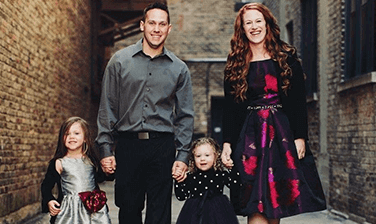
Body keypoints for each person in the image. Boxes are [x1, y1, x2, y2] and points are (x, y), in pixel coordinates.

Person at [221, 3, 326, 224]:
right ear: (242, 28)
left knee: (274, 203)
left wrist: (300, 137)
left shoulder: (286, 57)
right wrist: (228, 143)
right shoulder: (236, 62)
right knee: (254, 202)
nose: (254, 26)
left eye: (258, 21)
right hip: (250, 137)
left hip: (281, 135)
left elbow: (298, 101)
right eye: (248, 22)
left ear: (267, 24)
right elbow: (230, 107)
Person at [95, 2, 194, 224]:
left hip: (162, 146)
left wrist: (183, 155)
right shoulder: (119, 61)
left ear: (169, 28)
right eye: (152, 23)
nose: (156, 29)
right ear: (142, 25)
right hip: (128, 145)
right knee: (128, 209)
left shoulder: (179, 68)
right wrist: (105, 148)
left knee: (159, 214)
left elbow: (185, 115)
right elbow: (107, 107)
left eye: (162, 24)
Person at [41, 117, 112, 224]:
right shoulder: (59, 162)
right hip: (68, 212)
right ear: (62, 138)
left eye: (76, 133)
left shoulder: (91, 160)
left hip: (93, 210)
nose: (71, 137)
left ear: (85, 138)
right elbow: (46, 186)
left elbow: (101, 177)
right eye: (67, 134)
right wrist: (49, 200)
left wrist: (109, 171)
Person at [174, 137, 241, 224]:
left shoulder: (220, 174)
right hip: (194, 212)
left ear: (215, 155)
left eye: (207, 155)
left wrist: (231, 168)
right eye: (198, 156)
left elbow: (236, 185)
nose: (202, 159)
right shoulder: (191, 176)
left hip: (218, 211)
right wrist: (179, 180)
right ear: (193, 158)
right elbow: (181, 196)